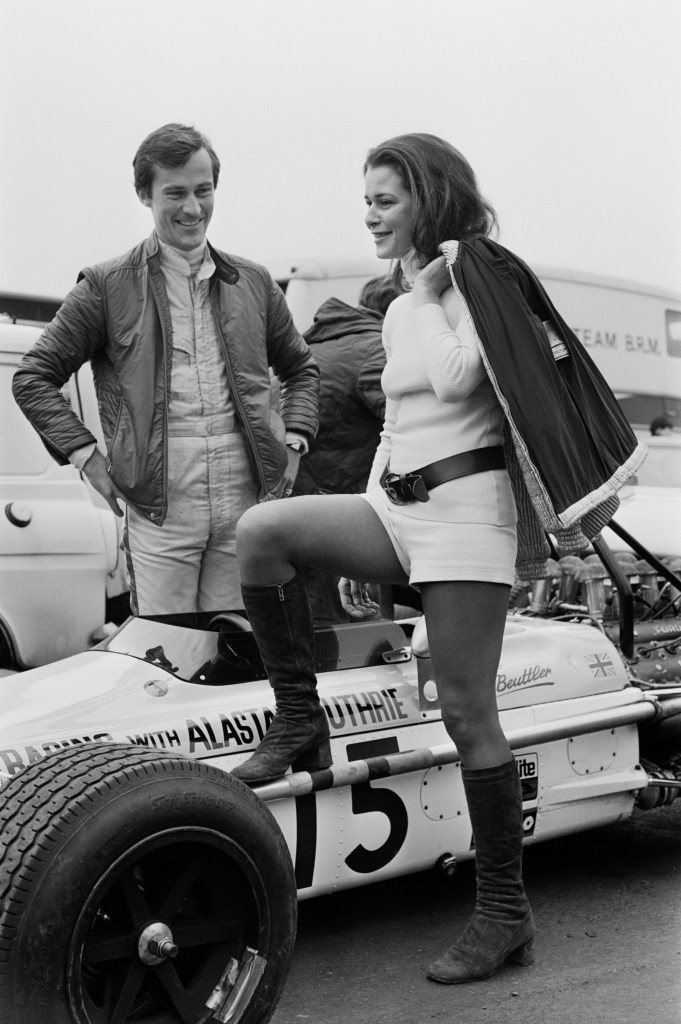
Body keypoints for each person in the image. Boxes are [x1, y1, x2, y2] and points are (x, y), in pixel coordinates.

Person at [231, 133, 645, 984]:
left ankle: (504, 914)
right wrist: (372, 515)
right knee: (263, 535)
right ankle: (299, 719)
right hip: (399, 504)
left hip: (467, 515)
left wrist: (424, 297)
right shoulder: (403, 296)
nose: (371, 214)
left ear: (427, 195)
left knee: (465, 709)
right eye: (366, 200)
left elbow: (460, 379)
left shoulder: (469, 277)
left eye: (385, 198)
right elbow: (397, 420)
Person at [12, 123, 319, 616]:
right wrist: (86, 457)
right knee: (168, 653)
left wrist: (296, 441)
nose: (193, 208)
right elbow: (32, 377)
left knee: (235, 655)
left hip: (246, 503)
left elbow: (301, 368)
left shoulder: (255, 282)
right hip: (159, 509)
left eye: (204, 191)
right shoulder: (106, 285)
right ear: (144, 194)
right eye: (175, 193)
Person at [293, 276, 398, 623]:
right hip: (347, 521)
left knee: (313, 628)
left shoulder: (314, 344)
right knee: (362, 634)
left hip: (298, 511)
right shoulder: (378, 350)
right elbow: (411, 432)